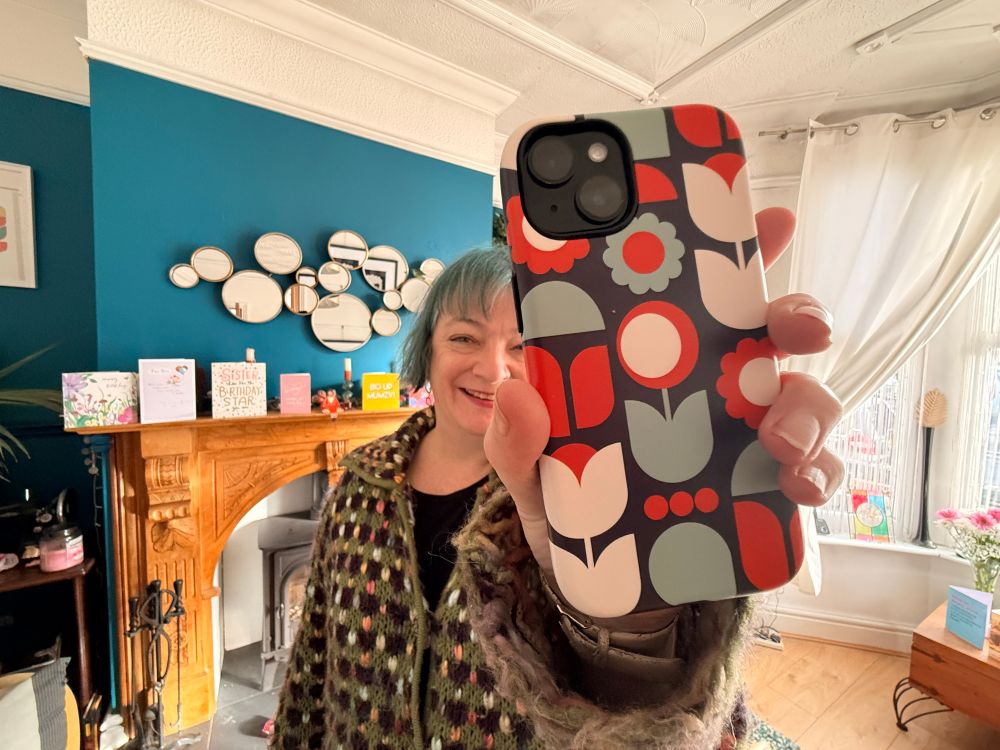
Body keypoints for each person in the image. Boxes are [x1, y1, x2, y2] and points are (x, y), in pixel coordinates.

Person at [272, 211, 843, 750]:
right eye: (464, 338)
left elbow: (661, 714)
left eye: (523, 346)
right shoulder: (360, 486)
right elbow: (313, 658)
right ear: (427, 351)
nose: (493, 368)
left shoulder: (581, 493)